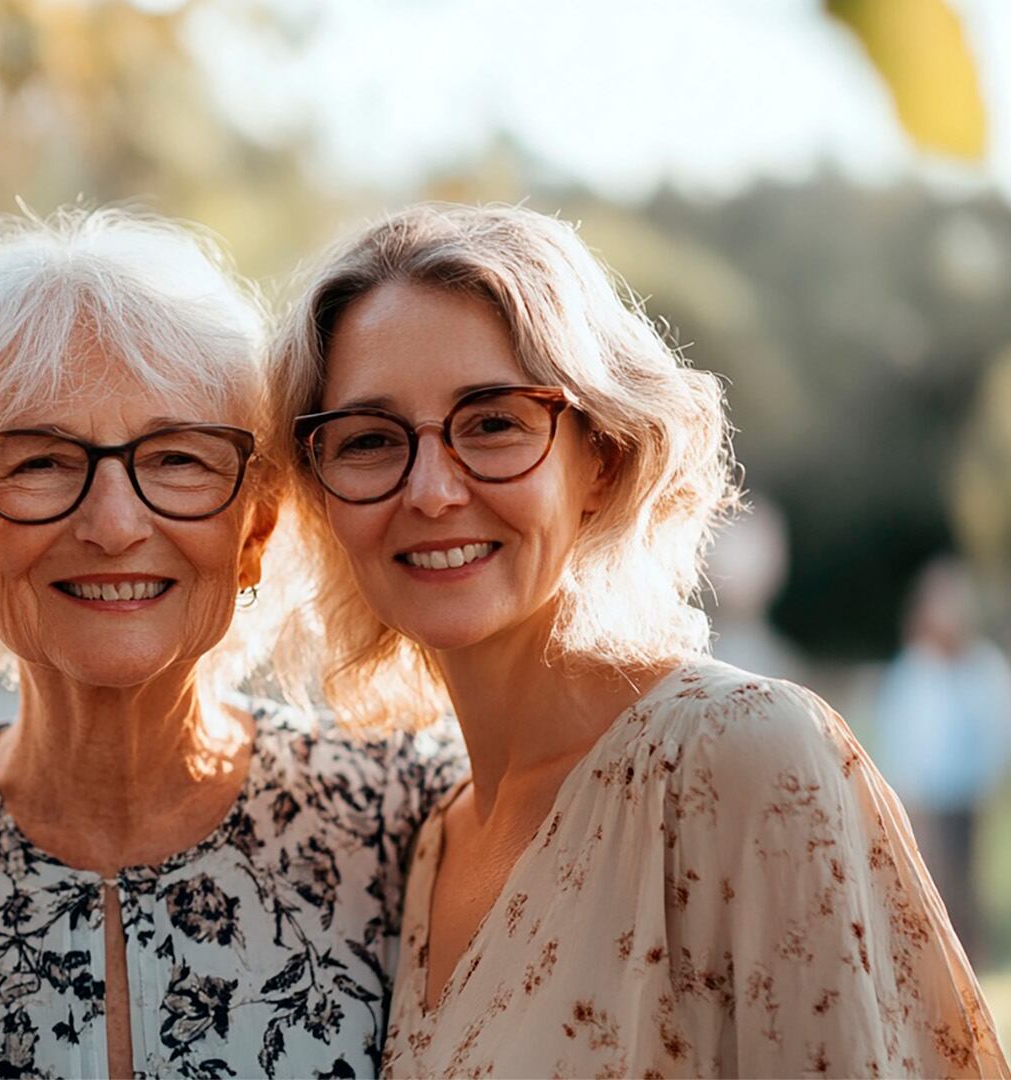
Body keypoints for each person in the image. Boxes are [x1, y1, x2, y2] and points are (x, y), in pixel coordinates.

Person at [266, 202, 1007, 1077]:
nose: (430, 490)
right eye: (368, 439)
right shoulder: (429, 846)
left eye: (495, 421)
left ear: (603, 458)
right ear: (319, 491)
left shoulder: (743, 757)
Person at [0, 208, 464, 1079]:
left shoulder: (411, 819)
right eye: (40, 461)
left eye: (179, 459)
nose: (113, 525)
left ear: (254, 526)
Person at [875, 556, 1011, 965]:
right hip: (923, 800)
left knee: (966, 888)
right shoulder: (911, 673)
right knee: (930, 885)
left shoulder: (981, 668)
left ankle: (973, 961)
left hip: (968, 797)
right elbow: (901, 739)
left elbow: (995, 729)